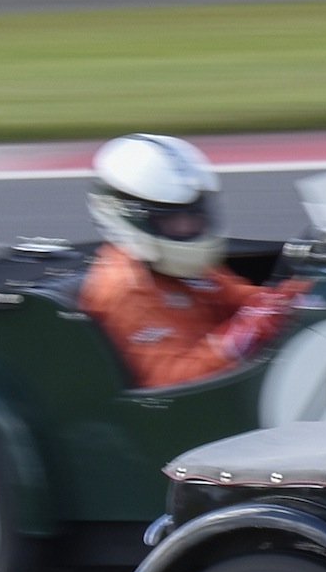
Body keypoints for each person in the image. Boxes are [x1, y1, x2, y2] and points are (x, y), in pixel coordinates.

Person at [79, 133, 306, 389]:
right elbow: (171, 382)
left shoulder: (183, 267)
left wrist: (295, 295)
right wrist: (254, 325)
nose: (187, 226)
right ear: (127, 215)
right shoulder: (127, 290)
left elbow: (245, 301)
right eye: (171, 220)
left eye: (194, 215)